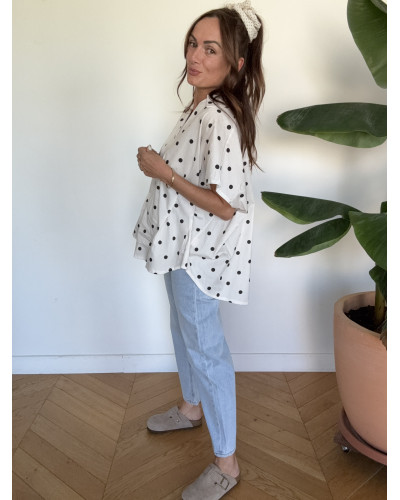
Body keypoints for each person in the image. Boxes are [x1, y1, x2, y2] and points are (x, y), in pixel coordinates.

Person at [133, 1, 265, 498]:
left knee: (207, 350)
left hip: (198, 256)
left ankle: (226, 463)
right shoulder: (200, 107)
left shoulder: (219, 118)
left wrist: (162, 171)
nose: (195, 56)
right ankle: (191, 408)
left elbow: (225, 205)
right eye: (193, 44)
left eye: (210, 49)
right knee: (183, 331)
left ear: (236, 62)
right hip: (179, 248)